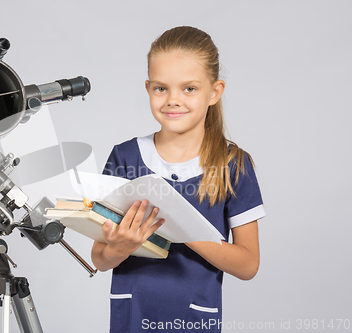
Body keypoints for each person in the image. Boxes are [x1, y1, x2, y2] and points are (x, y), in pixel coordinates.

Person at [91, 26, 265, 332]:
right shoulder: (124, 157)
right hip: (132, 317)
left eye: (189, 89)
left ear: (214, 92)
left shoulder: (234, 165)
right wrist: (120, 248)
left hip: (194, 318)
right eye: (161, 88)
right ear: (148, 89)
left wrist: (182, 227)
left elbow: (248, 265)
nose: (173, 100)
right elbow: (100, 259)